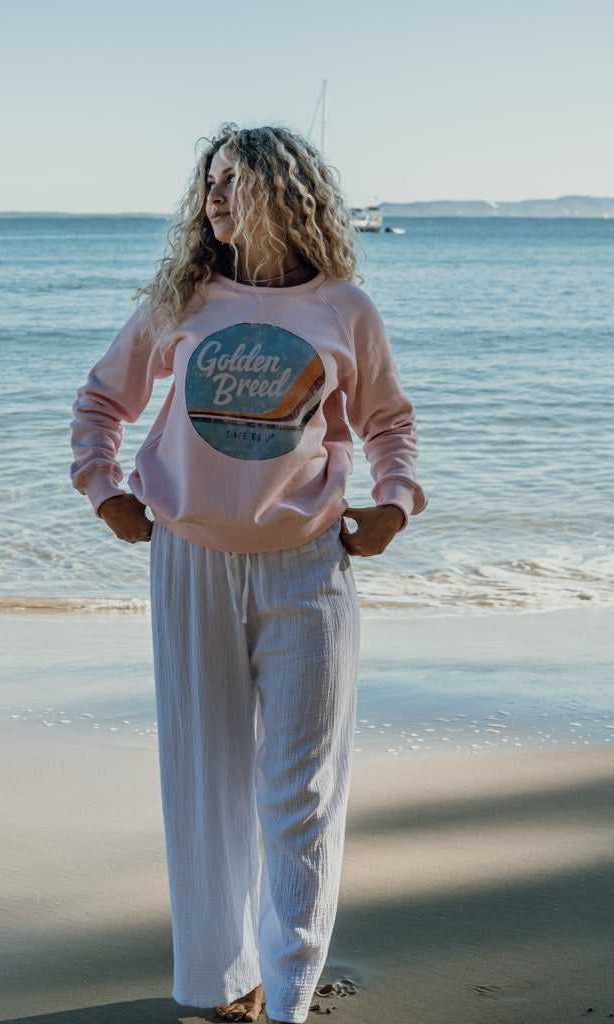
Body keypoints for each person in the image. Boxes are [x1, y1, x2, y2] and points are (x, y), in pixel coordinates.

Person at [70, 123, 426, 1024]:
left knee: (299, 790)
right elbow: (102, 401)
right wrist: (103, 491)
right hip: (189, 562)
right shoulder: (184, 299)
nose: (213, 198)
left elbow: (387, 421)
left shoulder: (345, 309)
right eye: (209, 183)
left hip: (309, 567)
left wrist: (395, 505)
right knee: (205, 780)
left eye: (233, 181)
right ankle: (221, 986)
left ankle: (289, 1000)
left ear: (286, 194)